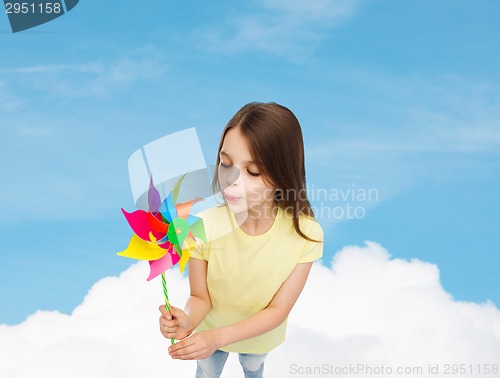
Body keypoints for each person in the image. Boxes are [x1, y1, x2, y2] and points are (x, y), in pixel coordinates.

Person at [159, 102, 324, 378]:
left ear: (284, 175)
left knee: (253, 366)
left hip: (258, 336)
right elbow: (200, 297)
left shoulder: (305, 235)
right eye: (225, 164)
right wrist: (187, 322)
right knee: (208, 370)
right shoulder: (203, 226)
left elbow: (277, 310)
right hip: (208, 330)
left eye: (253, 172)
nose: (231, 180)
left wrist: (218, 338)